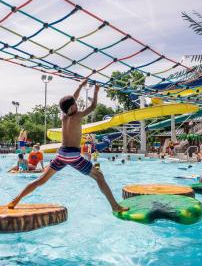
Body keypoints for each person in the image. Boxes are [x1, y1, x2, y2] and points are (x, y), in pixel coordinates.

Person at [7, 79, 128, 213]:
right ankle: (115, 206)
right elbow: (93, 107)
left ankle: (16, 199)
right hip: (73, 155)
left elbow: (71, 99)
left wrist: (80, 86)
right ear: (71, 108)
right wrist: (96, 91)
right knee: (99, 176)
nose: (77, 105)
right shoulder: (77, 116)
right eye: (75, 105)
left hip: (61, 154)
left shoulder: (64, 116)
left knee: (40, 180)